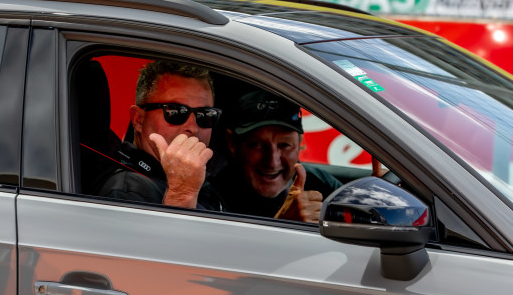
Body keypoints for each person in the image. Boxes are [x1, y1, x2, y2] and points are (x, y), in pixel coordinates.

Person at [93, 60, 222, 209]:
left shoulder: (206, 185)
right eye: (175, 112)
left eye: (205, 115)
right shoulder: (127, 191)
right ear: (138, 120)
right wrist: (181, 195)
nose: (193, 128)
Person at [207, 90, 342, 223]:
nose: (272, 162)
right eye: (256, 145)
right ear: (232, 144)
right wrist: (286, 224)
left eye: (284, 145)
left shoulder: (321, 183)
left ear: (301, 143)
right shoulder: (211, 199)